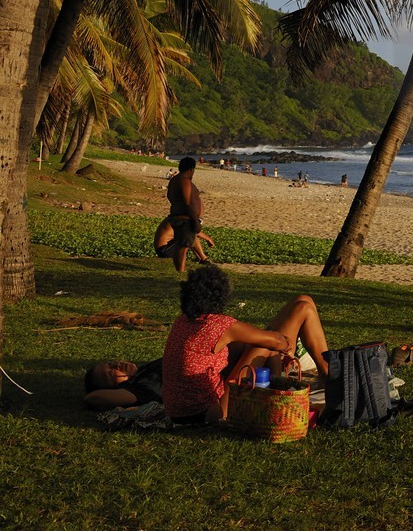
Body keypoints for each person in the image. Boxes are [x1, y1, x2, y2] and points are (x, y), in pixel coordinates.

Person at [161, 266, 334, 425]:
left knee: (303, 300)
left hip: (179, 412)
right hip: (213, 413)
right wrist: (285, 345)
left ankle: (289, 378)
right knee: (301, 310)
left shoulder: (183, 321)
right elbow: (277, 342)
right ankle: (320, 375)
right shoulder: (220, 326)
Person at [164, 156, 204, 273]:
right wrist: (195, 221)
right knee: (183, 246)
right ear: (191, 169)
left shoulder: (175, 180)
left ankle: (179, 270)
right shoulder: (184, 180)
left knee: (183, 245)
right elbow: (187, 203)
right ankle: (180, 271)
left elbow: (171, 197)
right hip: (185, 218)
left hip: (179, 215)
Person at [82, 358, 163, 411]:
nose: (117, 365)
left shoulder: (143, 369)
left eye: (110, 364)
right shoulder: (138, 389)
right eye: (110, 373)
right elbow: (92, 398)